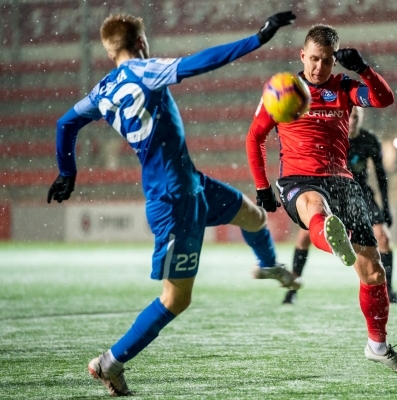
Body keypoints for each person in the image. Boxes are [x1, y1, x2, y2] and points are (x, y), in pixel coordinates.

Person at [47, 11, 298, 396]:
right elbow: (200, 62)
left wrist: (67, 171)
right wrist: (257, 39)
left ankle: (268, 266)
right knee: (176, 298)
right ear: (141, 43)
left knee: (252, 215)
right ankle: (109, 363)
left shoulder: (102, 92)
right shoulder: (145, 71)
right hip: (172, 199)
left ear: (109, 50)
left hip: (191, 184)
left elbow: (66, 123)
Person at [246, 24, 397, 373]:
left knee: (373, 272)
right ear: (302, 56)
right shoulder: (283, 91)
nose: (318, 68)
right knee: (315, 209)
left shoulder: (344, 87)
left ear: (334, 61)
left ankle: (378, 347)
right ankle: (335, 239)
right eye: (312, 59)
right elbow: (255, 138)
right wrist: (263, 186)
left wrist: (364, 69)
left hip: (342, 181)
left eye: (326, 61)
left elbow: (385, 99)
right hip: (298, 179)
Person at [283, 106, 397, 305]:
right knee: (304, 237)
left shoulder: (369, 140)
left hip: (360, 194)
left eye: (355, 117)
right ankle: (292, 289)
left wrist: (386, 206)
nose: (352, 121)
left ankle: (388, 289)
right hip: (330, 191)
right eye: (349, 116)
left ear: (360, 118)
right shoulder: (331, 137)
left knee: (384, 239)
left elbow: (381, 176)